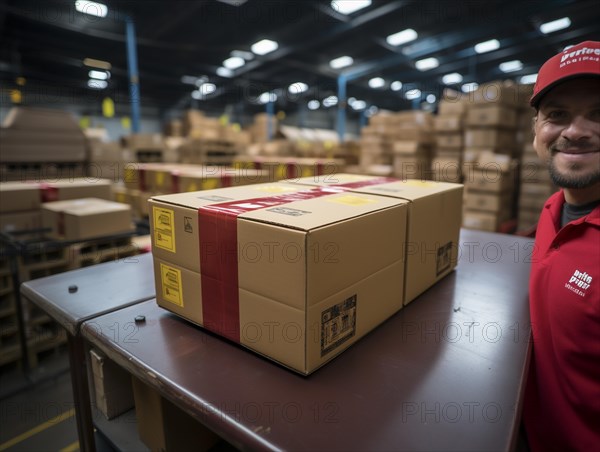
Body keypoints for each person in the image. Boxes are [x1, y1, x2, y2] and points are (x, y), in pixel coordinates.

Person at [523, 40, 600, 451]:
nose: (576, 131)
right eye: (557, 115)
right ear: (536, 131)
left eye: (598, 114)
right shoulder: (554, 210)